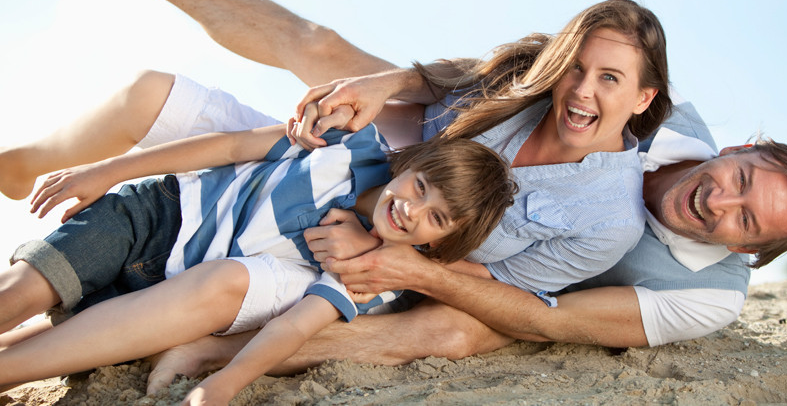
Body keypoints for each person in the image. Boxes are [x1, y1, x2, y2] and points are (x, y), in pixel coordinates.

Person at [0, 0, 787, 391]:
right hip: (395, 166)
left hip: (438, 250)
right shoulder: (651, 104)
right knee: (296, 61)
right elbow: (493, 72)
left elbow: (546, 318)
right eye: (739, 180)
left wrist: (391, 256)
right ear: (732, 148)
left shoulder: (693, 286)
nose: (720, 202)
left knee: (457, 327)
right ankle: (45, 132)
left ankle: (212, 348)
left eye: (744, 221)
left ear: (748, 252)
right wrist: (383, 84)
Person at [0, 115, 515, 403]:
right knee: (15, 298)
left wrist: (223, 384)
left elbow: (294, 326)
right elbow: (231, 147)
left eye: (436, 217)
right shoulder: (350, 144)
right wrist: (109, 170)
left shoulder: (374, 274)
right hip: (158, 215)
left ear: (441, 242)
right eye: (420, 186)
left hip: (159, 291)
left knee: (38, 347)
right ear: (411, 165)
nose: (411, 209)